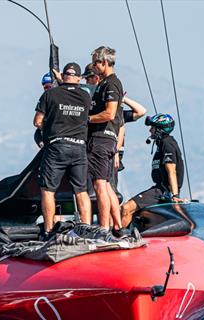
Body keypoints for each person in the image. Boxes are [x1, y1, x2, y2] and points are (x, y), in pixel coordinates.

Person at [33, 62, 93, 229]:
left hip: (57, 147)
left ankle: (48, 229)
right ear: (79, 78)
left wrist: (52, 124)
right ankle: (87, 228)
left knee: (48, 190)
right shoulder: (85, 96)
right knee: (81, 191)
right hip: (79, 147)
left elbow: (37, 122)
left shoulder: (50, 94)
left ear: (62, 76)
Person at [121, 113, 186, 227]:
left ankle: (120, 238)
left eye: (152, 128)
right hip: (158, 189)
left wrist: (175, 196)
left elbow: (172, 171)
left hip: (163, 191)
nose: (150, 131)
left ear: (160, 130)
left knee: (126, 208)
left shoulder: (167, 144)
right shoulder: (162, 144)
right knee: (127, 209)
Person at [87, 46, 124, 231]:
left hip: (101, 139)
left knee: (99, 184)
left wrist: (86, 119)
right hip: (107, 141)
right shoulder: (103, 83)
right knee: (107, 185)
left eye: (95, 62)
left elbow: (109, 113)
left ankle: (103, 228)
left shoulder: (111, 84)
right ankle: (117, 225)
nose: (93, 66)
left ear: (105, 62)